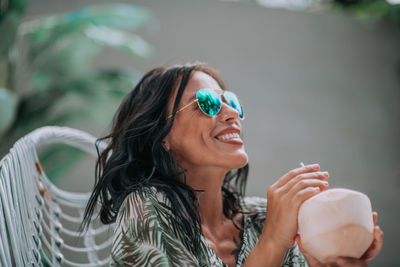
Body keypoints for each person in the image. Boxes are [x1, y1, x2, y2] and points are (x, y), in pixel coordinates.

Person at [81, 63, 384, 267]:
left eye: (232, 102)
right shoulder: (146, 207)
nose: (231, 114)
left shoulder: (264, 218)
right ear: (163, 136)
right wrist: (273, 243)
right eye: (208, 102)